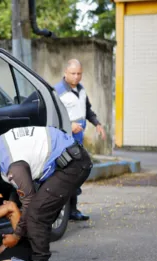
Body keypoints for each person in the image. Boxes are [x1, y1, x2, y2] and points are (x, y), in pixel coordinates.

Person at [0, 125, 93, 261]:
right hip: (69, 158)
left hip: (73, 164)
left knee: (36, 214)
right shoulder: (2, 143)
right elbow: (17, 199)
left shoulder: (11, 163)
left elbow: (28, 201)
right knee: (39, 211)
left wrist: (16, 235)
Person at [55, 59, 105, 221]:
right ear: (65, 73)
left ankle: (73, 211)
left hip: (78, 139)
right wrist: (69, 126)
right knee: (66, 174)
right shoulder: (57, 92)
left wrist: (97, 123)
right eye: (73, 73)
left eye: (79, 74)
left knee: (76, 173)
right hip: (64, 140)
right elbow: (53, 118)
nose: (76, 77)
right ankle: (61, 212)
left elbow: (88, 110)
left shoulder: (81, 90)